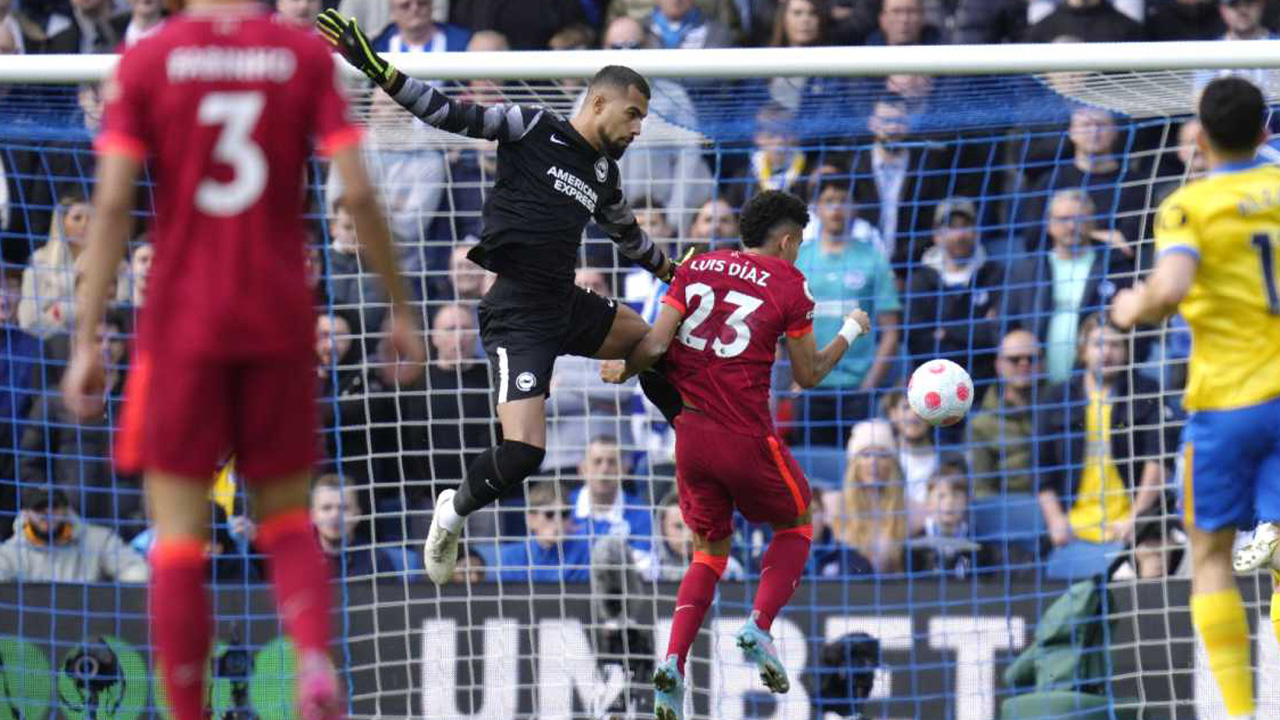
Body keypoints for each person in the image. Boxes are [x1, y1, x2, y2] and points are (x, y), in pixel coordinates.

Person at [61, 4, 416, 718]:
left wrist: (86, 334)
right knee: (286, 520)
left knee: (180, 541)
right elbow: (356, 189)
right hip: (279, 315)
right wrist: (400, 306)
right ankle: (313, 655)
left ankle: (187, 710)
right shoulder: (300, 55)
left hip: (182, 323)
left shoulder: (149, 61)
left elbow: (111, 207)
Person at [317, 12, 680, 584]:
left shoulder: (605, 172)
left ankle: (692, 437)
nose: (638, 128)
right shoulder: (530, 126)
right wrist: (375, 66)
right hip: (517, 316)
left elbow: (627, 235)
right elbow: (447, 112)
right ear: (600, 103)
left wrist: (675, 272)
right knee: (524, 452)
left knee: (651, 339)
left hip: (564, 300)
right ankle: (451, 512)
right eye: (633, 114)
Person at [600, 190, 871, 719]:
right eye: (798, 245)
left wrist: (625, 368)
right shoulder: (791, 284)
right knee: (798, 522)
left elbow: (654, 347)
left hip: (690, 439)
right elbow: (809, 374)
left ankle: (673, 663)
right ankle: (760, 626)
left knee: (709, 552)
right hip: (744, 435)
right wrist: (852, 330)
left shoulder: (697, 265)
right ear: (788, 241)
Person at [1111, 76, 1280, 720]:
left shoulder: (1189, 206)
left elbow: (1169, 289)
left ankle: (1240, 713)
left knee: (1209, 555)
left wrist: (1132, 307)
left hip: (1226, 405)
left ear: (1201, 138)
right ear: (1266, 131)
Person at [0, 487, 149, 582]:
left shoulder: (99, 540)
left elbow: (136, 570)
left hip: (90, 627)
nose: (48, 513)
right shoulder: (10, 552)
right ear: (25, 514)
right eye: (39, 507)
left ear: (66, 509)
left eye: (54, 506)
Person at [967, 330, 1043, 497]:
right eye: (1015, 359)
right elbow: (981, 489)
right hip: (1008, 511)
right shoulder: (982, 424)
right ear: (999, 365)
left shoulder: (1059, 408)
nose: (1024, 364)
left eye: (1032, 359)